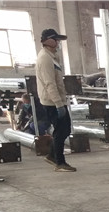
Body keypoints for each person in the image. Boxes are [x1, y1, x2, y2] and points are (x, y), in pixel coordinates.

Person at [35, 28, 75, 172]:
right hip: (52, 102)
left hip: (57, 100)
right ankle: (60, 162)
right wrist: (58, 104)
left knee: (65, 129)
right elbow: (49, 83)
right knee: (60, 131)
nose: (58, 43)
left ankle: (52, 155)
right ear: (48, 41)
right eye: (56, 40)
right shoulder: (45, 58)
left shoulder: (51, 56)